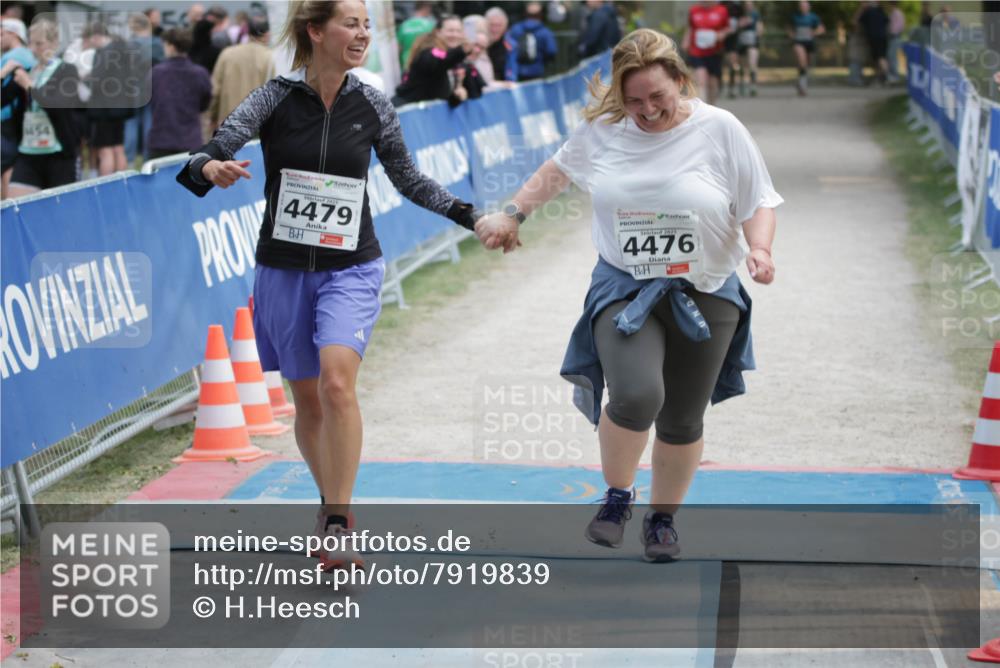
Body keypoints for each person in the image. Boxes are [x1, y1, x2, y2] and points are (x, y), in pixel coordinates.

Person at [176, 0, 482, 571]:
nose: (363, 33)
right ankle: (329, 502)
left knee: (338, 384)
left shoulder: (372, 103)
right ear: (316, 31)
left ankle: (339, 520)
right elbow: (214, 147)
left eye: (367, 24)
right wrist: (208, 168)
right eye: (351, 23)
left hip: (351, 267)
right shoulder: (273, 97)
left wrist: (471, 215)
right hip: (283, 270)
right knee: (309, 400)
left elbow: (408, 177)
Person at [474, 28, 781, 562]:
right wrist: (513, 213)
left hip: (706, 285)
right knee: (638, 394)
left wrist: (760, 249)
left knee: (684, 417)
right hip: (624, 283)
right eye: (634, 100)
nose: (647, 111)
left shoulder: (720, 128)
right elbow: (557, 172)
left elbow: (759, 199)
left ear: (680, 82)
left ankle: (661, 521)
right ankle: (618, 497)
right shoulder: (604, 130)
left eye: (658, 97)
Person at [7, 19, 83, 197]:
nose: (33, 49)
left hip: (58, 153)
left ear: (54, 44)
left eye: (39, 43)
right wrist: (4, 74)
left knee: (60, 211)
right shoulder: (28, 70)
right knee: (15, 207)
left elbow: (56, 106)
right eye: (31, 43)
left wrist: (29, 87)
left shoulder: (67, 70)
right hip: (28, 151)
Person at [148, 27, 211, 159]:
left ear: (171, 46)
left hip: (162, 138)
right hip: (190, 138)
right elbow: (205, 102)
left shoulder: (157, 72)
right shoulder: (200, 73)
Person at [208, 14, 274, 131]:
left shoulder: (227, 54)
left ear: (248, 32)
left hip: (228, 124)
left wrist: (213, 117)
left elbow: (215, 90)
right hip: (258, 126)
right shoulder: (270, 57)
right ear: (267, 34)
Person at [393, 14, 474, 107]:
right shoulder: (430, 51)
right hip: (406, 111)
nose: (455, 35)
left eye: (458, 31)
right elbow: (439, 62)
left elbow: (439, 95)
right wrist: (461, 51)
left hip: (427, 114)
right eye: (450, 30)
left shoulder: (454, 58)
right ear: (438, 32)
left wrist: (456, 97)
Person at [1, 18, 35, 198]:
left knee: (6, 167)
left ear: (14, 34)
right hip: (16, 121)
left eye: (1, 34)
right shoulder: (25, 55)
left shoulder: (14, 57)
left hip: (8, 121)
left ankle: (6, 213)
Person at [682, 1, 730, 105]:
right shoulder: (694, 10)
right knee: (701, 80)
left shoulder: (722, 10)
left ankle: (712, 106)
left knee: (713, 83)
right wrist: (686, 41)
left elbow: (727, 28)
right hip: (697, 51)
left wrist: (721, 34)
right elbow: (690, 28)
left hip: (714, 52)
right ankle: (702, 109)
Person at [505, 1, 557, 82]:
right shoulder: (545, 32)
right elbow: (551, 51)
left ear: (525, 13)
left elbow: (508, 46)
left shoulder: (515, 28)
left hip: (517, 71)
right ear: (540, 14)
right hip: (537, 70)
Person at [787, 0, 824, 96]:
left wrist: (814, 32)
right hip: (798, 42)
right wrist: (792, 35)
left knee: (806, 65)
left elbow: (821, 29)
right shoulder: (794, 16)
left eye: (804, 5)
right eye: (801, 5)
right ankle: (803, 86)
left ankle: (800, 82)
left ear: (808, 6)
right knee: (801, 61)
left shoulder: (813, 17)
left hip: (809, 43)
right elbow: (789, 28)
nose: (802, 7)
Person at [855, 1, 888, 86]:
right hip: (883, 37)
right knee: (880, 58)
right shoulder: (881, 11)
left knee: (880, 58)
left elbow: (856, 21)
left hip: (874, 38)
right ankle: (880, 78)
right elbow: (887, 21)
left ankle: (885, 77)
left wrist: (861, 9)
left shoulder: (868, 12)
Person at [397, 0, 436, 69]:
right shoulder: (430, 25)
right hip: (425, 62)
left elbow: (399, 48)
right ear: (427, 8)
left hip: (406, 61)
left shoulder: (404, 25)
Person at [735, 1, 761, 97]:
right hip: (741, 42)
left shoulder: (756, 14)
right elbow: (737, 26)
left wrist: (758, 34)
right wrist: (742, 23)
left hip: (752, 42)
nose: (748, 6)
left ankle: (753, 86)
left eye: (750, 5)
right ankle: (742, 84)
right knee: (742, 65)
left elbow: (759, 26)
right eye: (746, 5)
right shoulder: (739, 14)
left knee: (752, 63)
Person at [485, 6, 510, 82]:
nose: (495, 29)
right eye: (492, 25)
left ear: (505, 27)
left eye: (498, 25)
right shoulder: (479, 46)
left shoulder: (510, 46)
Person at [722, 1, 741, 98]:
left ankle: (732, 88)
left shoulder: (738, 6)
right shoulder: (720, 5)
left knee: (732, 65)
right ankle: (719, 86)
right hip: (720, 40)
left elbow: (744, 19)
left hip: (733, 40)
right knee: (721, 65)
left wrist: (740, 24)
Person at [886, 1, 904, 83]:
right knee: (891, 56)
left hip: (895, 37)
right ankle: (892, 75)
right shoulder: (894, 13)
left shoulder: (897, 13)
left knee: (892, 56)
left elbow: (897, 27)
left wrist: (891, 33)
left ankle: (895, 76)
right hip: (893, 37)